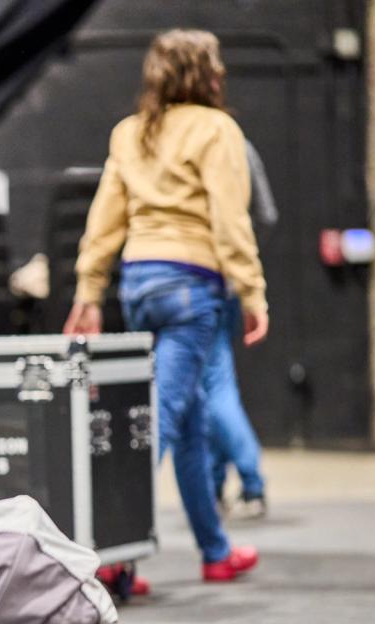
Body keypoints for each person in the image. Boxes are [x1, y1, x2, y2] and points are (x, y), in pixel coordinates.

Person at [64, 29, 267, 583]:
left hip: (139, 285)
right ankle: (108, 558)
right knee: (156, 424)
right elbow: (230, 220)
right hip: (192, 287)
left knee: (190, 422)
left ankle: (215, 551)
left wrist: (89, 291)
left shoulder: (129, 133)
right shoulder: (217, 129)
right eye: (216, 67)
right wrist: (251, 292)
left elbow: (104, 222)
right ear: (206, 75)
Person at [203, 140, 278, 520]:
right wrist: (241, 264)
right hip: (224, 284)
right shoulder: (241, 145)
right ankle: (217, 485)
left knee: (214, 387)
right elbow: (265, 215)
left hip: (199, 282)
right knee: (212, 388)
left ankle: (251, 483)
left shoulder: (188, 139)